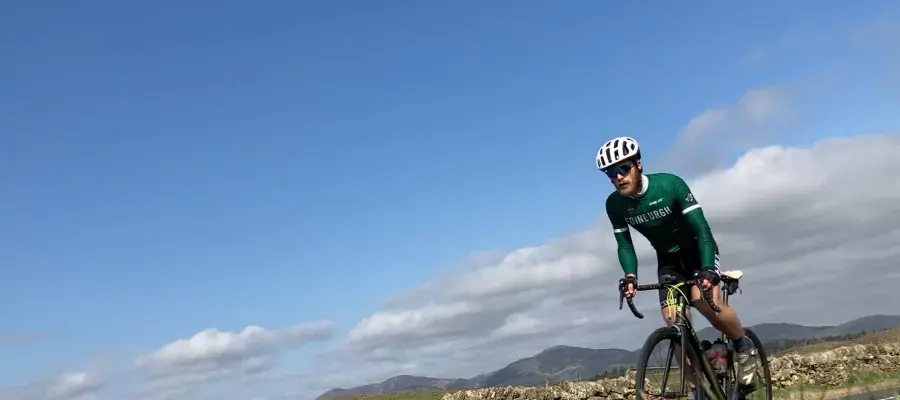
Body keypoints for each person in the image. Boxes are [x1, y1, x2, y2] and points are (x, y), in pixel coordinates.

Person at [596, 136, 759, 393]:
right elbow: (625, 245)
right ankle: (700, 390)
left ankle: (742, 345)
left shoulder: (670, 185)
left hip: (698, 250)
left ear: (638, 164)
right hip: (668, 260)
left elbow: (702, 229)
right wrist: (630, 276)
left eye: (623, 169)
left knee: (703, 300)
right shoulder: (614, 205)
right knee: (674, 322)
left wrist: (707, 268)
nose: (617, 177)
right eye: (610, 174)